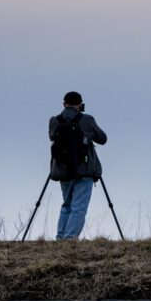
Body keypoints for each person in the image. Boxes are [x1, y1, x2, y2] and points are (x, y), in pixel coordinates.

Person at [49, 91, 107, 240]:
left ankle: (61, 238)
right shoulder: (87, 119)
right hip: (84, 170)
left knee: (66, 205)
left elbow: (51, 136)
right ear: (80, 104)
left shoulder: (55, 120)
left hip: (63, 170)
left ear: (64, 104)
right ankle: (70, 239)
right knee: (79, 207)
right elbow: (102, 138)